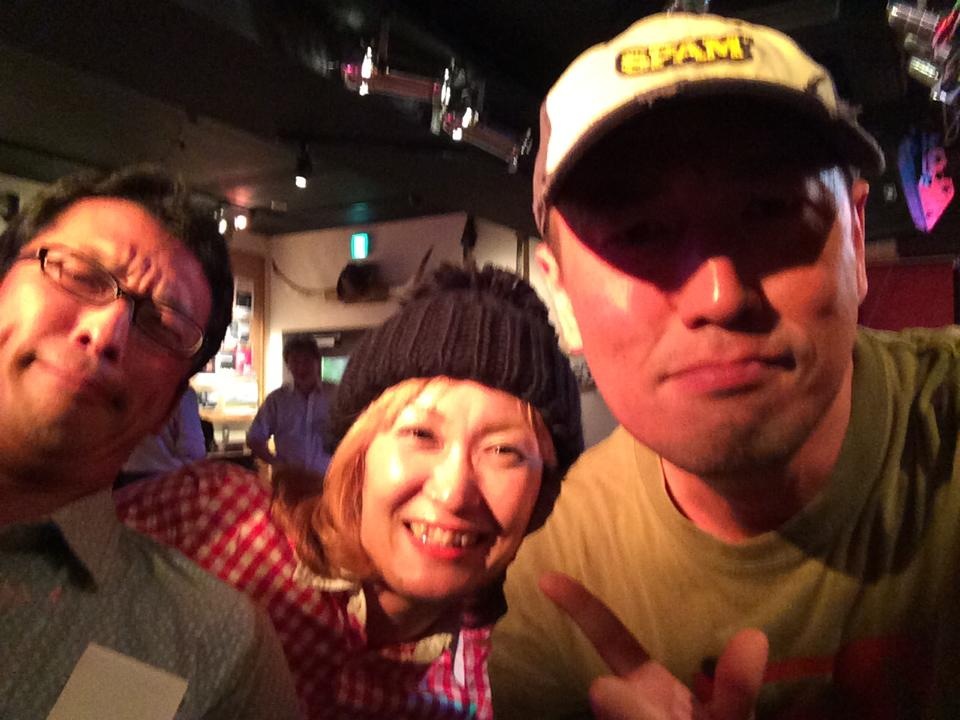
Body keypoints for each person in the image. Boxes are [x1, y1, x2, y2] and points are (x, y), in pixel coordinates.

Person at [490, 10, 960, 720]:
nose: (721, 295)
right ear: (561, 296)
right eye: (640, 232)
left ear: (857, 240)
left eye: (769, 209)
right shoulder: (559, 578)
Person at [116, 263, 584, 719]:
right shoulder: (214, 520)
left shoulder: (511, 674)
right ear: (358, 453)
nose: (453, 493)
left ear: (543, 492)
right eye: (421, 434)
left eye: (504, 451)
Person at [0, 166, 300, 719]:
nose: (106, 333)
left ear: (170, 402)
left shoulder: (216, 645)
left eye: (161, 324)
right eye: (80, 275)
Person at [246, 334, 333, 475]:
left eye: (307, 360)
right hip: (288, 480)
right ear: (288, 364)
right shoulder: (276, 400)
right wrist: (276, 463)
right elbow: (254, 438)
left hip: (329, 478)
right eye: (295, 362)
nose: (301, 367)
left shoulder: (335, 395)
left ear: (317, 361)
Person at [117, 385, 207, 487]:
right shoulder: (181, 393)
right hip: (168, 479)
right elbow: (193, 450)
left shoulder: (124, 389)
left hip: (126, 478)